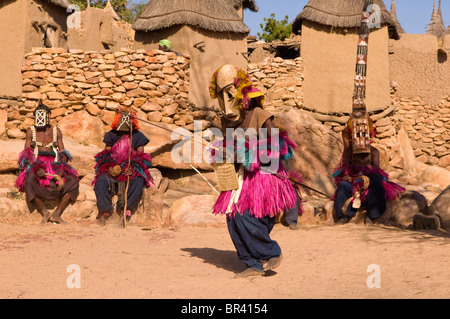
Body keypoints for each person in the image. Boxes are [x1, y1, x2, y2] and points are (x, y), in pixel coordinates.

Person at [209, 64, 302, 278]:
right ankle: (252, 262)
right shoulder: (227, 121)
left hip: (265, 178)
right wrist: (224, 154)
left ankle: (271, 253)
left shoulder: (260, 114)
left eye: (230, 94)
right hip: (241, 179)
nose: (227, 101)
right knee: (232, 218)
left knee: (246, 217)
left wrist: (252, 153)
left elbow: (279, 146)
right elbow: (229, 146)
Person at [15, 101, 79, 224]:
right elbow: (27, 154)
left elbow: (63, 153)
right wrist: (35, 167)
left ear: (48, 116)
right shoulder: (31, 131)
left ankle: (57, 214)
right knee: (28, 181)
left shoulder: (56, 131)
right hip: (37, 164)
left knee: (73, 181)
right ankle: (44, 212)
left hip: (54, 163)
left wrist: (61, 168)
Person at [332, 116, 405, 225]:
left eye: (363, 134)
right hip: (353, 181)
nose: (360, 137)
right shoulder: (349, 151)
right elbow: (345, 167)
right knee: (343, 185)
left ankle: (371, 216)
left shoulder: (374, 151)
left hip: (369, 181)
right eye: (357, 134)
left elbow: (376, 170)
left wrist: (367, 179)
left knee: (378, 186)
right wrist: (347, 176)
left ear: (368, 135)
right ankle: (342, 217)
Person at [92, 106, 153, 226]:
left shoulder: (138, 136)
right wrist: (109, 166)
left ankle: (124, 211)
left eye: (128, 120)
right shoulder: (111, 135)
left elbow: (141, 157)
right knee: (101, 181)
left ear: (132, 121)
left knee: (138, 180)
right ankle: (105, 210)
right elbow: (106, 154)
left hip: (129, 170)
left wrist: (133, 168)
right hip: (113, 169)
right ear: (118, 120)